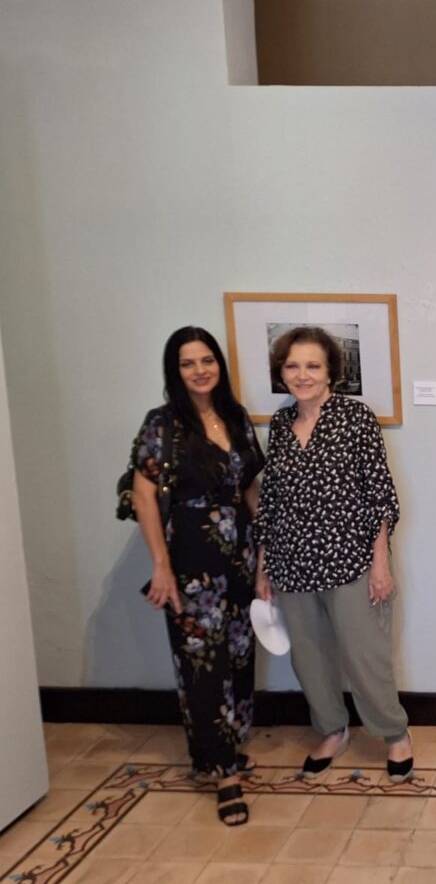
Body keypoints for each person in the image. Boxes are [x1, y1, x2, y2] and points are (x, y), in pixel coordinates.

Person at [254, 326, 413, 782]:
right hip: (292, 562)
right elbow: (271, 503)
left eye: (312, 366)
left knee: (365, 655)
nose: (302, 375)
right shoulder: (281, 426)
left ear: (330, 373)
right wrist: (264, 567)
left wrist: (380, 564)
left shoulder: (354, 418)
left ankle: (394, 734)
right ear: (281, 372)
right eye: (292, 366)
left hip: (351, 560)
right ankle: (332, 729)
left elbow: (381, 496)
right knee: (309, 656)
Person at [128, 326, 264, 825]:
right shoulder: (162, 425)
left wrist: (263, 557)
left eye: (207, 360)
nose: (200, 370)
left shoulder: (236, 417)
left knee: (240, 659)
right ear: (175, 371)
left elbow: (251, 490)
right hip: (190, 563)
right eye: (188, 363)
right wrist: (161, 567)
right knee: (203, 666)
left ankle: (223, 749)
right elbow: (143, 497)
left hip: (242, 559)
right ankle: (225, 773)